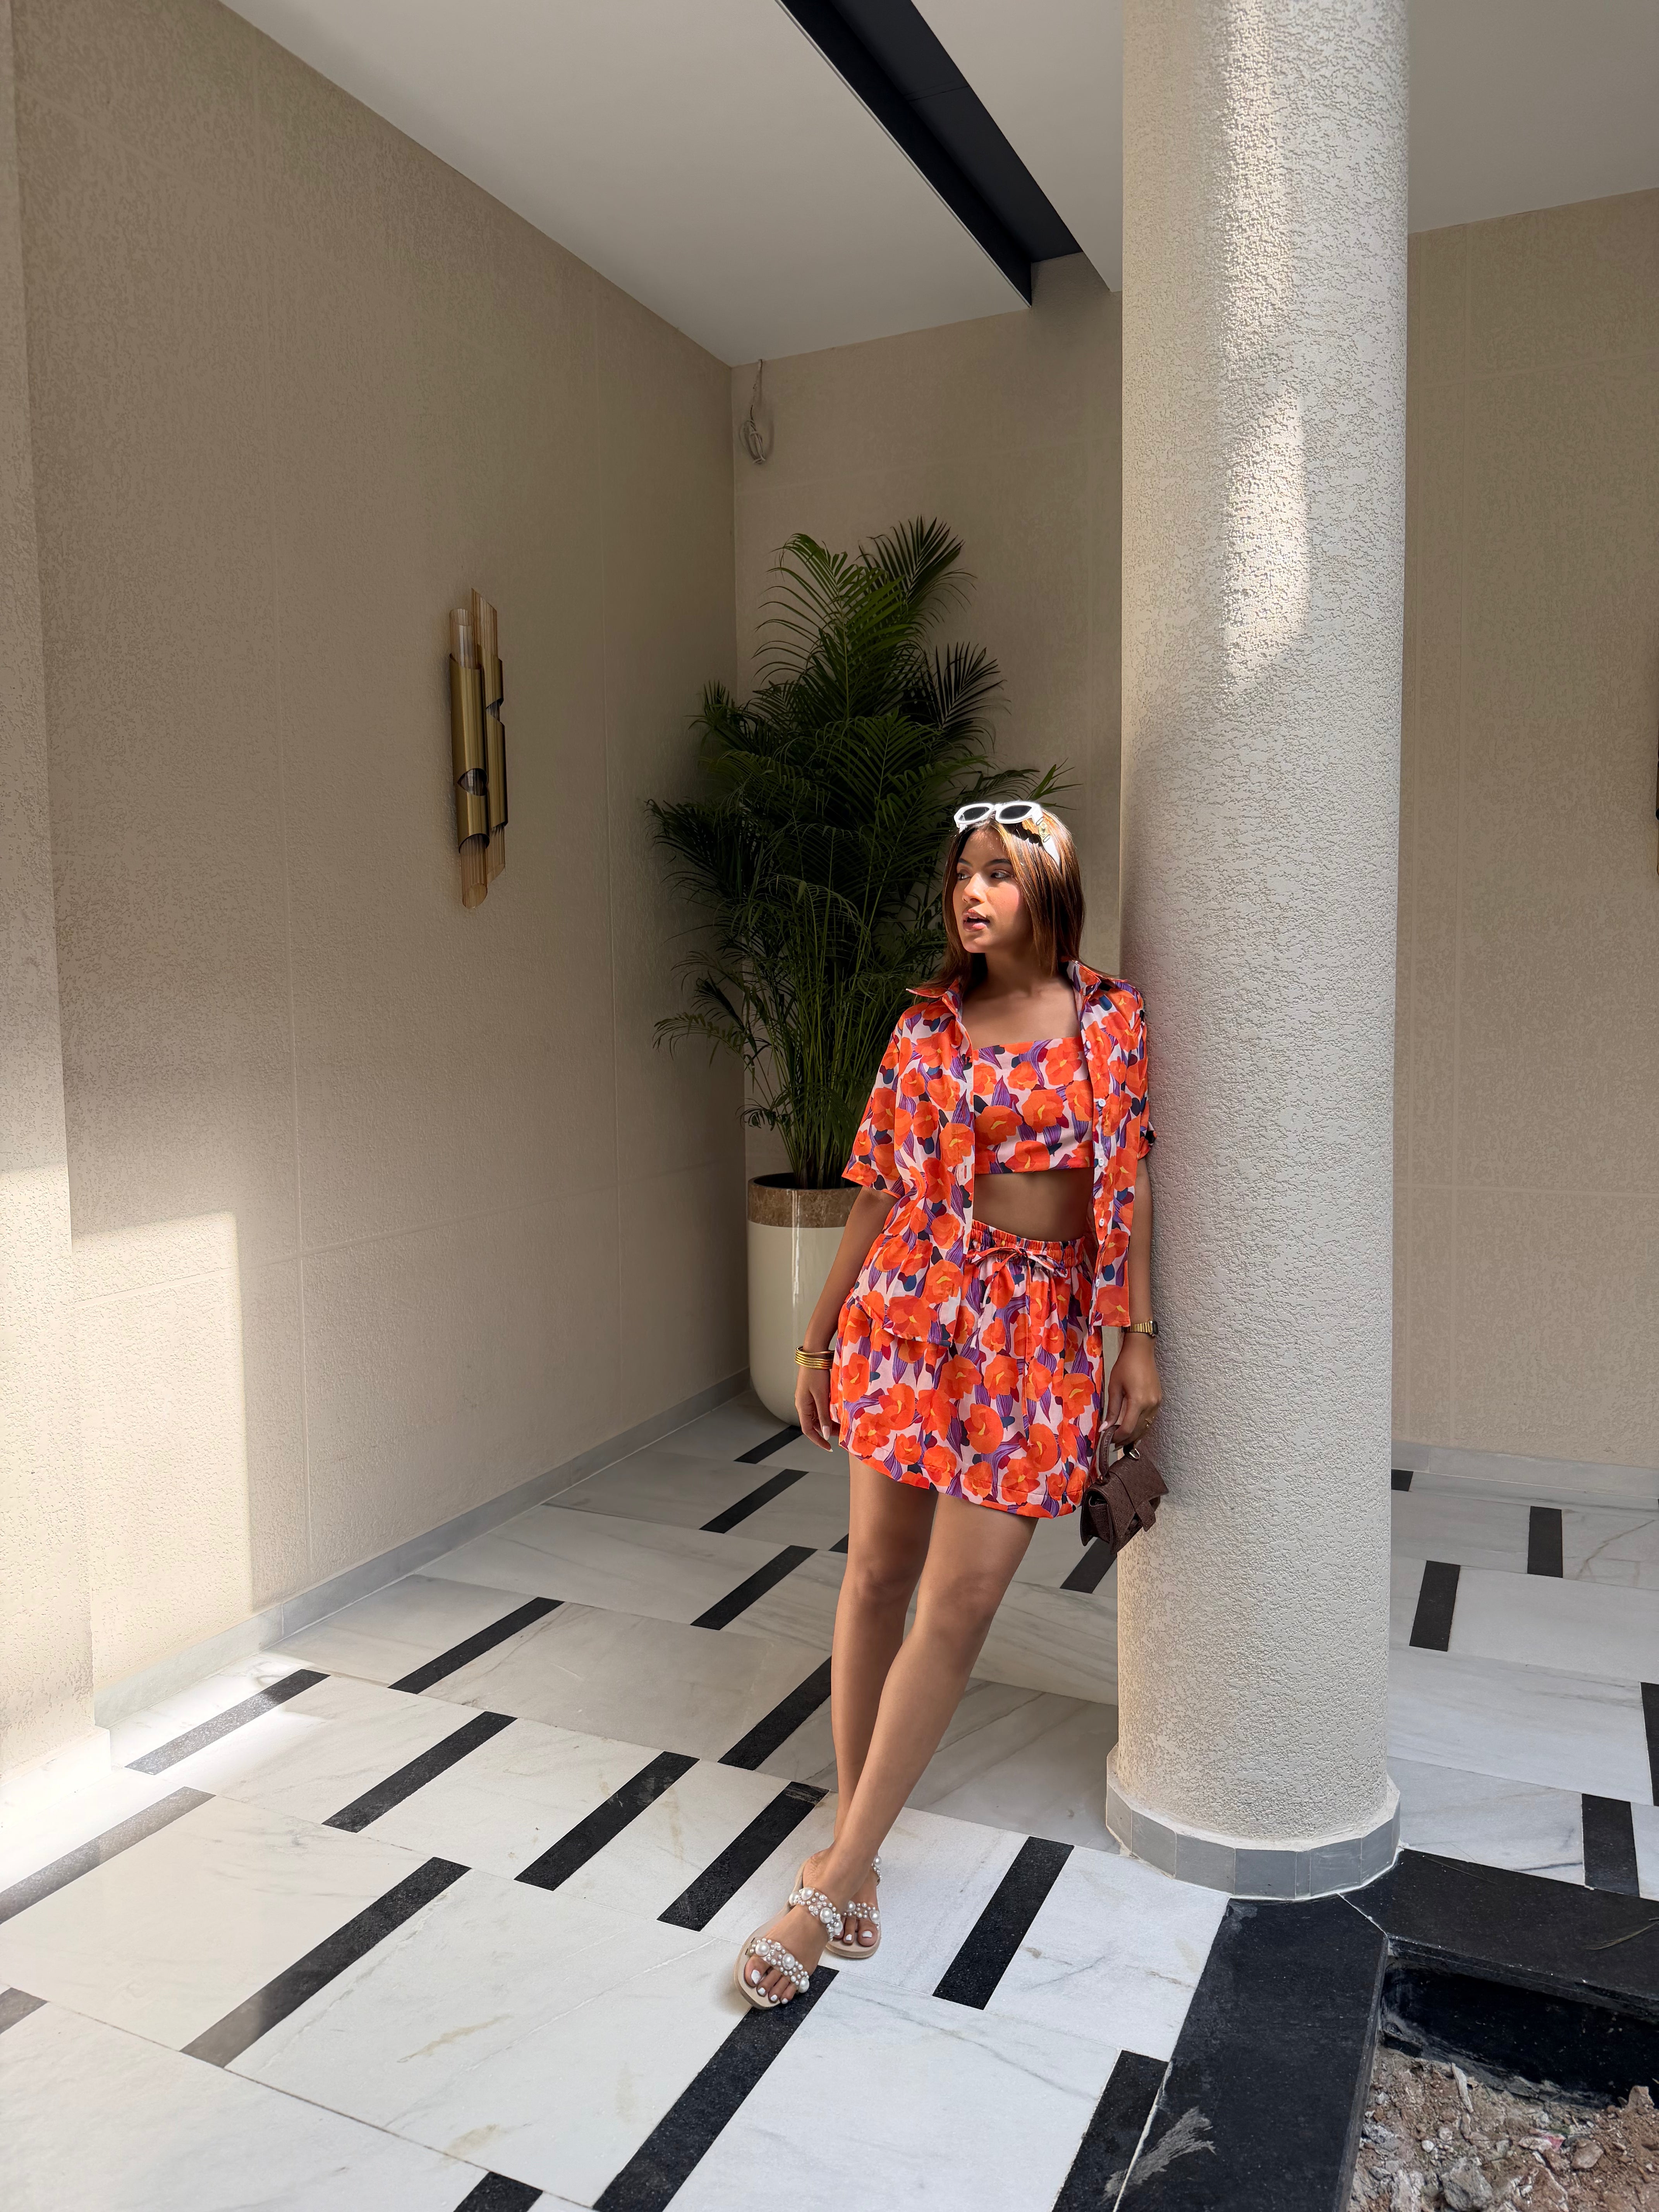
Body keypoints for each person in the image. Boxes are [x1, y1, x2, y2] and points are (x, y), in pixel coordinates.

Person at [732, 800, 1163, 2008]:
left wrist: (1136, 1339)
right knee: (876, 1576)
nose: (971, 895)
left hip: (1040, 1337)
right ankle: (851, 1859)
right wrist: (817, 1336)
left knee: (962, 1603)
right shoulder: (926, 1025)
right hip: (914, 1316)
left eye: (997, 876)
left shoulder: (1112, 1018)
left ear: (1049, 889)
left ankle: (836, 1874)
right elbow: (875, 1189)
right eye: (962, 875)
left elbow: (1127, 1181)